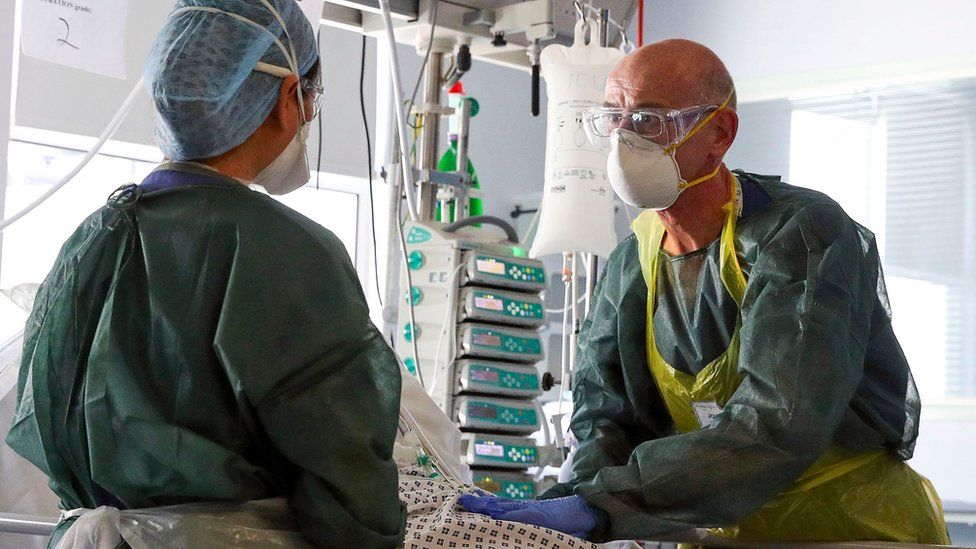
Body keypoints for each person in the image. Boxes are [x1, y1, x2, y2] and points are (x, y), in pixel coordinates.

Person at [461, 39, 951, 545]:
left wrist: (606, 506)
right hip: (723, 531)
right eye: (613, 117)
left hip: (848, 527)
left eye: (649, 118)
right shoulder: (634, 260)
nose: (624, 138)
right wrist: (574, 504)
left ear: (718, 133)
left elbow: (778, 423)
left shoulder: (799, 235)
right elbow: (605, 417)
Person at [5, 1, 406, 547]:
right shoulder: (291, 252)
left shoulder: (93, 238)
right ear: (290, 99)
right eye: (312, 99)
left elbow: (45, 420)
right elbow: (347, 477)